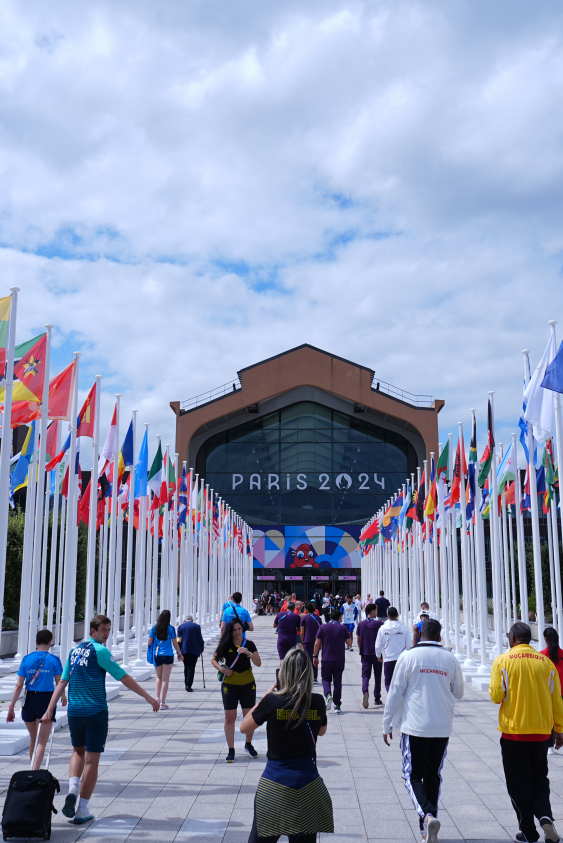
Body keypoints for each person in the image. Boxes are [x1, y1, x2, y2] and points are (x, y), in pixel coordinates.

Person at [43, 614, 159, 825]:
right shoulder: (101, 651)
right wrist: (149, 698)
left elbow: (62, 682)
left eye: (108, 630)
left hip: (75, 711)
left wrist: (49, 710)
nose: (106, 634)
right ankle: (82, 810)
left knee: (77, 751)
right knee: (92, 760)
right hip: (96, 711)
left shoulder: (74, 652)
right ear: (93, 631)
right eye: (103, 630)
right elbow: (124, 677)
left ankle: (73, 788)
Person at [240, 648, 333, 843]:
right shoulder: (317, 701)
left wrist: (265, 697)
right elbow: (322, 731)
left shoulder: (272, 701)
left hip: (275, 784)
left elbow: (243, 727)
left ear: (285, 673)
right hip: (307, 785)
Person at [383, 618, 463, 843]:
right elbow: (458, 693)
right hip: (442, 727)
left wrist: (387, 723)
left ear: (418, 635)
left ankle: (427, 817)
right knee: (432, 775)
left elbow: (395, 691)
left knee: (411, 775)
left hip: (415, 726)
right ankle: (426, 828)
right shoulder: (449, 658)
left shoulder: (408, 656)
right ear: (439, 636)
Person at [490, 621, 563, 843]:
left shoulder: (503, 661)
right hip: (541, 733)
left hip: (514, 733)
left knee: (518, 783)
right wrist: (560, 729)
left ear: (512, 638)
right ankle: (545, 816)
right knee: (540, 778)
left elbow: (496, 697)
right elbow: (557, 700)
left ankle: (529, 832)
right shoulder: (546, 662)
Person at [7, 628, 65, 769]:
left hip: (29, 700)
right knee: (41, 742)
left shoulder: (26, 659)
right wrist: (63, 696)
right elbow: (60, 682)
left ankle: (32, 768)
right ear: (50, 642)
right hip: (46, 700)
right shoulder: (54, 660)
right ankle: (34, 771)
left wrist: (11, 707)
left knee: (33, 738)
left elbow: (19, 685)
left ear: (36, 642)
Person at [211, 618, 262, 762]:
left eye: (239, 629)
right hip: (230, 684)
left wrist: (248, 653)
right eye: (234, 630)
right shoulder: (226, 644)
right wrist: (222, 670)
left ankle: (248, 744)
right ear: (230, 631)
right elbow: (214, 660)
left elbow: (258, 663)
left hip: (247, 683)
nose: (237, 632)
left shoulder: (249, 644)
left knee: (249, 717)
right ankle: (231, 749)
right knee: (230, 718)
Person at [313, 608, 352, 714]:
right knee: (337, 682)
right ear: (340, 618)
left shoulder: (323, 627)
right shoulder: (343, 628)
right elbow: (349, 643)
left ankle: (328, 694)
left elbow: (317, 643)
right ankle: (337, 705)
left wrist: (315, 656)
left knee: (325, 679)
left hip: (326, 658)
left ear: (330, 617)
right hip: (339, 659)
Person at [148, 609, 183, 710]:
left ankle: (157, 698)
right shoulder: (171, 629)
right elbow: (175, 643)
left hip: (157, 655)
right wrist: (179, 653)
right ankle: (163, 703)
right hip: (168, 655)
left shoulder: (154, 628)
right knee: (165, 679)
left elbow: (149, 642)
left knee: (159, 677)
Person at [375, 606, 411, 692]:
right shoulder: (404, 628)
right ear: (398, 615)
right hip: (401, 660)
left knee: (388, 683)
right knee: (402, 683)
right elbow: (409, 645)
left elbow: (378, 645)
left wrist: (378, 655)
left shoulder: (382, 629)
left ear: (387, 616)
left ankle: (391, 698)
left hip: (388, 659)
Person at [356, 604, 384, 708]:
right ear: (372, 612)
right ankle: (377, 697)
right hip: (377, 654)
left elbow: (358, 640)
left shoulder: (361, 624)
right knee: (377, 675)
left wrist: (362, 649)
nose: (377, 613)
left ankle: (365, 692)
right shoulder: (379, 623)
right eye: (376, 611)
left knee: (365, 675)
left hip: (365, 653)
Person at [542, 627, 563, 756]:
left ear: (545, 639)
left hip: (549, 692)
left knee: (550, 718)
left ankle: (550, 745)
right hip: (562, 691)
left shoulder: (542, 656)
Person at [177, 615, 205, 692]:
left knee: (186, 666)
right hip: (194, 650)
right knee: (191, 667)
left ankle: (186, 683)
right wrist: (202, 648)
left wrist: (178, 652)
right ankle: (188, 685)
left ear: (185, 621)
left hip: (184, 650)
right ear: (192, 620)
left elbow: (179, 641)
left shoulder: (180, 627)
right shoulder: (197, 627)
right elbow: (200, 639)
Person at [300, 602, 322, 683]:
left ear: (306, 609)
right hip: (317, 641)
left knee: (308, 660)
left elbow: (302, 632)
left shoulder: (304, 618)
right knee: (315, 658)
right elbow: (321, 631)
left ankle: (308, 677)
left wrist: (302, 642)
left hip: (307, 641)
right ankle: (315, 677)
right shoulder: (318, 618)